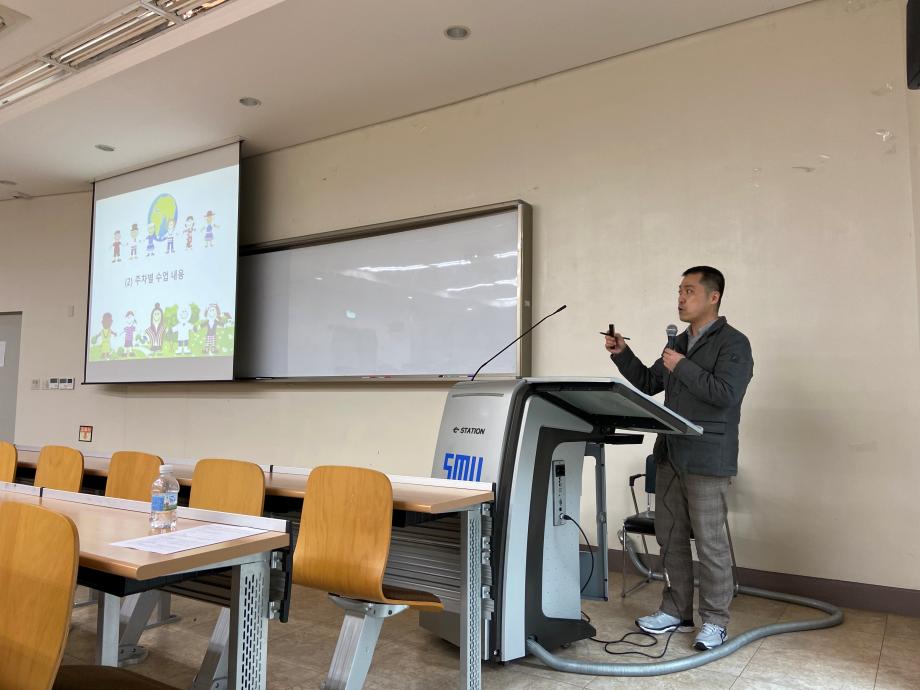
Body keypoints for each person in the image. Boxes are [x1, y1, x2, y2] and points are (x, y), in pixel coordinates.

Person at [605, 266, 753, 651]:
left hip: (707, 457)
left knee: (710, 543)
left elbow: (725, 394)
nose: (681, 298)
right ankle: (676, 611)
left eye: (689, 291)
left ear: (713, 297)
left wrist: (682, 366)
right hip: (670, 454)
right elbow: (649, 383)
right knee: (670, 538)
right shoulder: (679, 343)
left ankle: (715, 621)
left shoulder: (734, 343)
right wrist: (623, 354)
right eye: (679, 291)